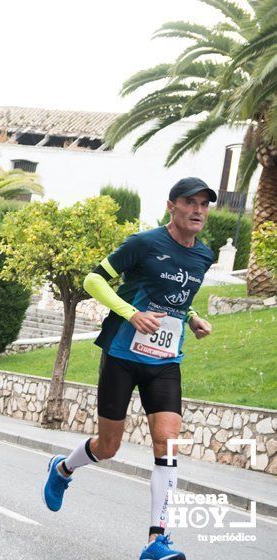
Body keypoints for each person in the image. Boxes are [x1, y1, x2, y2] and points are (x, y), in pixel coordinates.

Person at [42, 178, 216, 560]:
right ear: (171, 206)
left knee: (167, 443)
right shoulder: (144, 243)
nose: (198, 210)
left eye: (204, 204)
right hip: (123, 354)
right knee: (108, 446)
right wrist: (131, 313)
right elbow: (93, 280)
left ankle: (157, 539)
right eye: (190, 202)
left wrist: (191, 319)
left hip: (166, 361)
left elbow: (175, 299)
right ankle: (63, 469)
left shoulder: (204, 255)